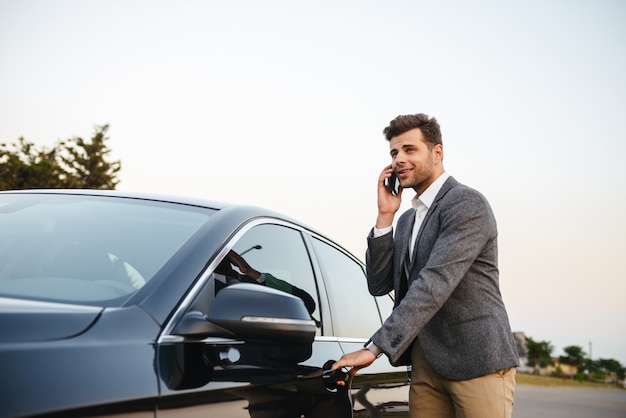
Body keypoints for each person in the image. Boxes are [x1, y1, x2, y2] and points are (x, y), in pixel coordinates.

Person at [332, 113, 519, 417]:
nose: (398, 160)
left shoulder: (466, 204)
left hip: (476, 362)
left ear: (437, 153)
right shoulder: (406, 220)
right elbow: (378, 284)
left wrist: (374, 347)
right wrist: (385, 217)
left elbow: (434, 283)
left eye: (409, 149)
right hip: (426, 366)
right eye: (394, 153)